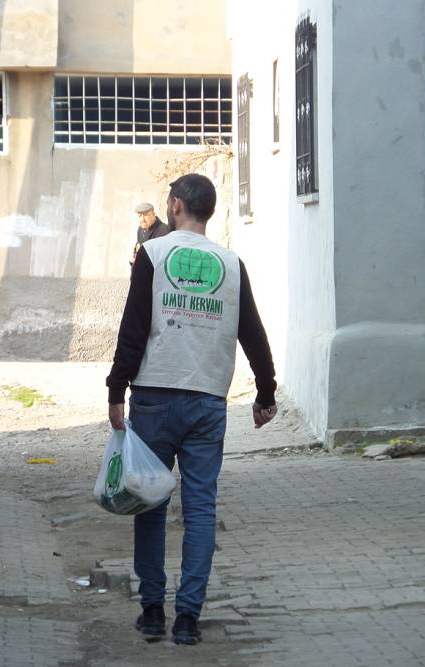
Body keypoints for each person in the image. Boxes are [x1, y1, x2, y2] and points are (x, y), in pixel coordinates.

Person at [106, 174, 278, 646]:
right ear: (210, 211)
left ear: (176, 205)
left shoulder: (153, 255)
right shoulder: (231, 262)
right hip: (207, 401)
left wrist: (116, 389)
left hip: (155, 398)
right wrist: (266, 393)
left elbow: (134, 327)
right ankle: (187, 618)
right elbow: (253, 333)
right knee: (200, 510)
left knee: (151, 502)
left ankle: (152, 611)